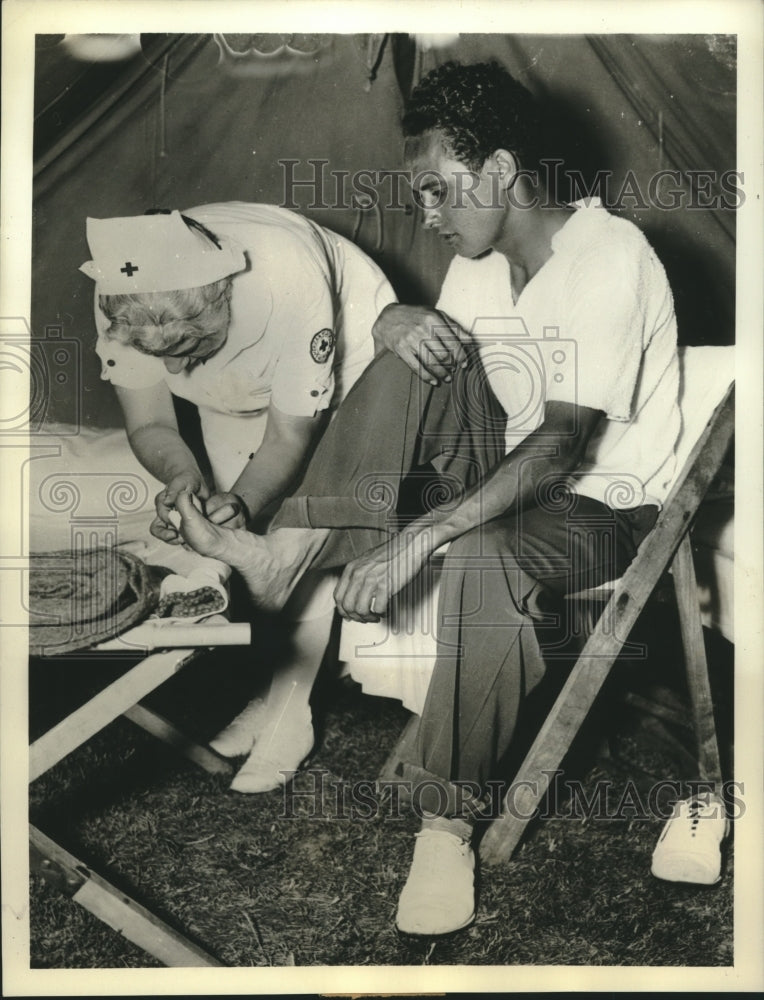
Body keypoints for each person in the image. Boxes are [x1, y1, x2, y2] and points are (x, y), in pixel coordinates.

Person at [167, 62, 685, 934]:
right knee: (412, 343)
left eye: (439, 191)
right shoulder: (481, 269)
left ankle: (444, 830)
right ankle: (291, 545)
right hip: (502, 482)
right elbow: (438, 399)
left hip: (605, 509)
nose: (429, 216)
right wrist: (388, 323)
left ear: (501, 171)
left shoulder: (611, 256)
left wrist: (417, 540)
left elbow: (560, 445)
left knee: (481, 555)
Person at [80, 202, 402, 792]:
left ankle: (290, 715)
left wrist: (247, 499)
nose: (175, 368)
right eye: (159, 355)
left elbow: (289, 436)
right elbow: (152, 424)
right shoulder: (123, 284)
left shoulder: (288, 280)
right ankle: (272, 694)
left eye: (188, 345)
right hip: (238, 374)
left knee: (298, 533)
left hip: (353, 354)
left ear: (225, 293)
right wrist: (183, 478)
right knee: (244, 547)